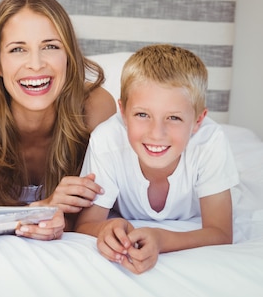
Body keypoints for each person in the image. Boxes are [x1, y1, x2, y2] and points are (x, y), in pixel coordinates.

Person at [0, 0, 116, 241]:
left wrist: (54, 213)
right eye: (18, 49)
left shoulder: (96, 106)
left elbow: (87, 220)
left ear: (69, 57)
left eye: (50, 46)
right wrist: (43, 208)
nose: (36, 64)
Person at [75, 44, 239, 274]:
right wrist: (109, 227)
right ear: (122, 113)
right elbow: (85, 225)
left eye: (173, 117)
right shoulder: (107, 141)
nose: (156, 133)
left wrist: (161, 239)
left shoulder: (210, 142)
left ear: (198, 121)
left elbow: (221, 232)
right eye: (142, 114)